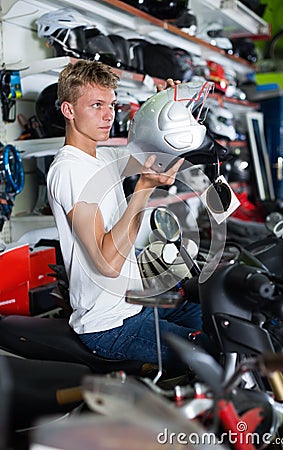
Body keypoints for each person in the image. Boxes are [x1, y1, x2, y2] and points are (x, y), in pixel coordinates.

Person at [47, 59, 209, 370]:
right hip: (109, 325)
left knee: (220, 320)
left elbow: (156, 151)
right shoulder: (69, 170)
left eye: (111, 104)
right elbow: (106, 263)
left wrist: (168, 111)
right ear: (68, 110)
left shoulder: (102, 156)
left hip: (135, 304)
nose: (109, 115)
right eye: (96, 105)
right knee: (207, 354)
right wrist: (144, 188)